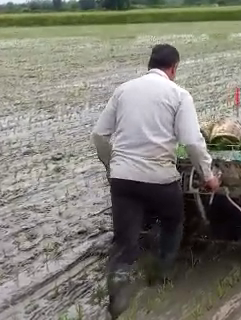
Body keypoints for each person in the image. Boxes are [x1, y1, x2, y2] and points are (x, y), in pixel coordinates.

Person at [91, 43, 220, 318]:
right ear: (173, 68)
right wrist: (208, 177)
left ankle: (117, 288)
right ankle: (160, 273)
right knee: (173, 222)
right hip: (160, 179)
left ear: (149, 65)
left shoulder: (123, 90)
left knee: (125, 239)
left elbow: (99, 135)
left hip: (123, 179)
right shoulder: (179, 94)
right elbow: (193, 143)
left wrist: (111, 165)